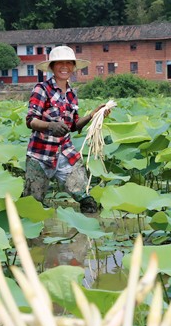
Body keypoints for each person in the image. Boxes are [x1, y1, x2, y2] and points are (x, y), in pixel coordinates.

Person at [23, 45, 109, 213]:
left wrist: (94, 115)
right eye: (59, 63)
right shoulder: (42, 89)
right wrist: (50, 126)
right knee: (32, 205)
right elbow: (31, 120)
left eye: (68, 63)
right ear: (52, 67)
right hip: (41, 154)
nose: (64, 67)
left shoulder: (72, 94)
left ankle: (87, 234)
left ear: (73, 67)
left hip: (65, 153)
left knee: (87, 200)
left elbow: (73, 126)